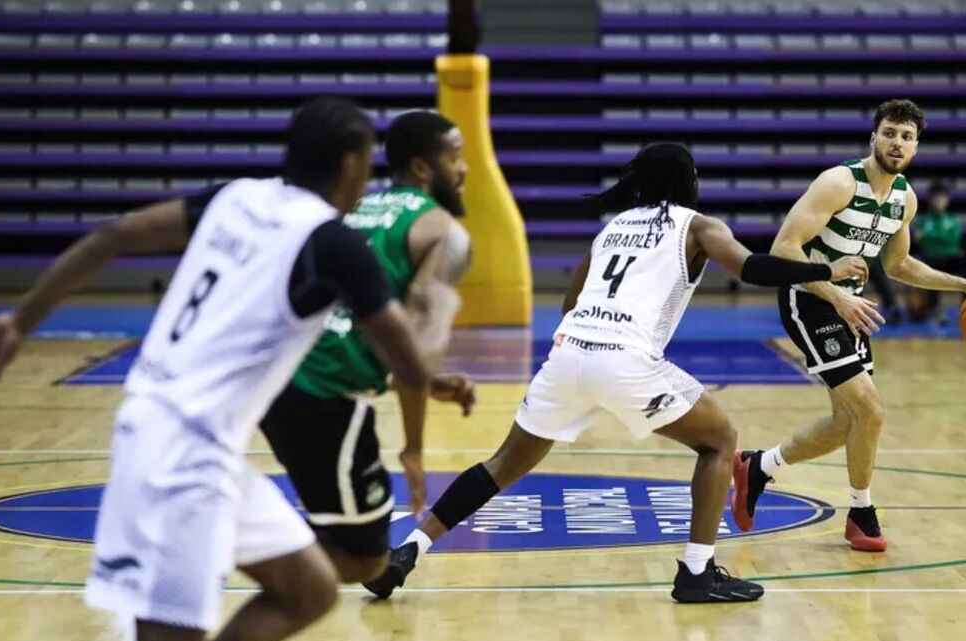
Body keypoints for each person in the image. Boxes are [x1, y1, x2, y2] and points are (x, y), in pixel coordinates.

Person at [0, 96, 434, 641]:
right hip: (183, 452)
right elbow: (407, 360)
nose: (368, 177)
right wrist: (432, 394)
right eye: (367, 164)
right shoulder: (333, 242)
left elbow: (114, 235)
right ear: (348, 165)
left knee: (310, 589)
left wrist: (22, 321)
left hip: (176, 432)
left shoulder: (234, 197)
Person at [363, 142, 869, 603]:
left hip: (568, 352)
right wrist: (825, 270)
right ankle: (697, 572)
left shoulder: (612, 228)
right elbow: (753, 268)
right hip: (625, 358)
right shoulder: (699, 226)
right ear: (687, 179)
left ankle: (408, 550)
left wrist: (585, 359)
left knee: (500, 466)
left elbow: (570, 302)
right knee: (720, 442)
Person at [212, 110, 478, 641]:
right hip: (324, 396)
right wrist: (414, 445)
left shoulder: (353, 211)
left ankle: (233, 634)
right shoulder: (441, 232)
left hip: (279, 376)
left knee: (355, 547)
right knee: (359, 559)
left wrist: (430, 384)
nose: (465, 169)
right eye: (457, 156)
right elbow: (410, 337)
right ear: (422, 166)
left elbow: (356, 316)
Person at [734, 100, 966, 552]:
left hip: (851, 307)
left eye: (906, 136)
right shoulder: (839, 183)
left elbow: (898, 265)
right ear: (873, 138)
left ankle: (758, 467)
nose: (896, 142)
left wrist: (963, 284)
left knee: (849, 422)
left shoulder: (905, 199)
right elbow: (783, 248)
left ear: (916, 147)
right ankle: (861, 513)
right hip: (811, 302)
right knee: (871, 410)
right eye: (890, 133)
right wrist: (834, 290)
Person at [908, 180, 966, 325]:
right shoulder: (922, 220)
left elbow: (952, 239)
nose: (939, 201)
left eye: (942, 197)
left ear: (947, 200)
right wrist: (942, 237)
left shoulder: (954, 219)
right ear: (930, 200)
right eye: (936, 197)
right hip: (932, 258)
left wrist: (929, 235)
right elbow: (923, 244)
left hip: (951, 257)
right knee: (930, 267)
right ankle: (935, 308)